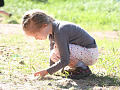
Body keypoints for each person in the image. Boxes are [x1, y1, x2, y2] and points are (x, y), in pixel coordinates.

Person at [22, 9, 99, 79]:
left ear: (44, 26)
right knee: (53, 54)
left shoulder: (60, 31)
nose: (36, 38)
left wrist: (47, 71)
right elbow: (54, 55)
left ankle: (83, 69)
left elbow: (65, 59)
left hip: (90, 53)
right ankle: (77, 68)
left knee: (58, 49)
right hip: (82, 52)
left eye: (36, 35)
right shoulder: (52, 31)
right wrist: (50, 70)